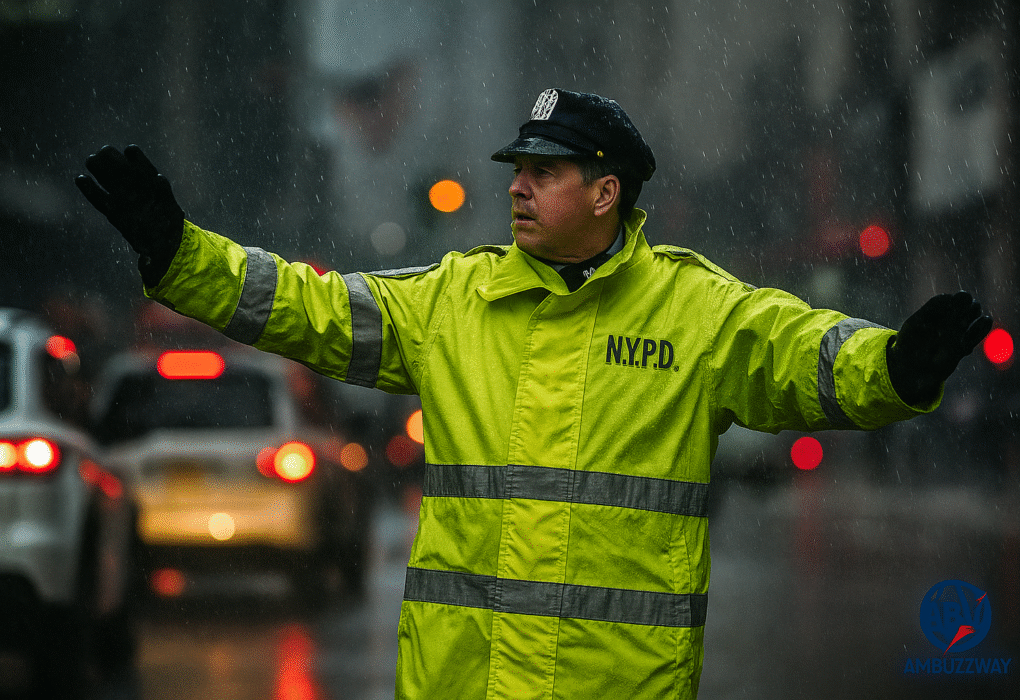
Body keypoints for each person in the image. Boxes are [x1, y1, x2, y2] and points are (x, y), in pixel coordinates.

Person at [76, 88, 992, 699]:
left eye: (542, 172)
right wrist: (180, 254)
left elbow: (808, 357)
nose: (516, 188)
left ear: (605, 192)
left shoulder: (696, 308)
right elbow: (309, 309)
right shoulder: (454, 300)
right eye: (517, 170)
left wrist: (898, 368)